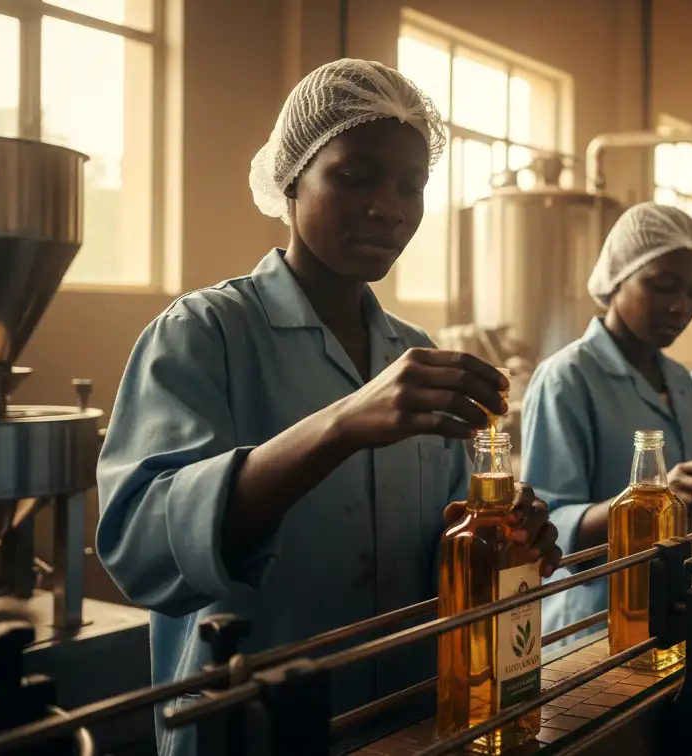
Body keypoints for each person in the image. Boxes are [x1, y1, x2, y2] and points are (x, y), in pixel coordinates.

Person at [95, 60, 562, 756]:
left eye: (413, 185)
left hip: (411, 722)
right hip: (249, 730)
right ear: (291, 180)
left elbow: (440, 541)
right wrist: (340, 425)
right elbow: (140, 552)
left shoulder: (415, 354)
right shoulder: (204, 334)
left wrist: (500, 534)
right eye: (356, 175)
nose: (390, 207)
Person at [521, 202, 692, 639]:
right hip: (597, 622)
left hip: (676, 605)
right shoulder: (569, 377)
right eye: (663, 286)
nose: (681, 307)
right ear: (618, 278)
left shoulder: (680, 379)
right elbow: (547, 526)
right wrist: (649, 501)